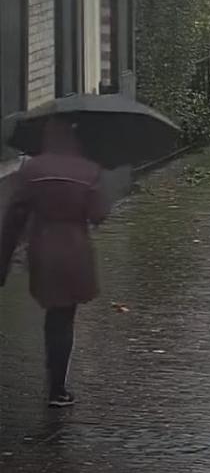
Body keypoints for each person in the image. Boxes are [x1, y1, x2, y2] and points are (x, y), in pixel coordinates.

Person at [0, 117, 110, 407]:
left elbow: (14, 218)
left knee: (53, 311)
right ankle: (58, 387)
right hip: (75, 249)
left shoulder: (32, 169)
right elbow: (98, 214)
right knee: (65, 316)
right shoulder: (88, 169)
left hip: (43, 247)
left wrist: (4, 259)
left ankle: (54, 378)